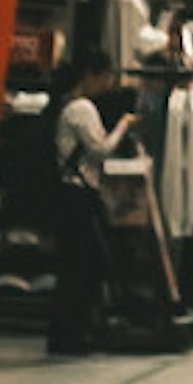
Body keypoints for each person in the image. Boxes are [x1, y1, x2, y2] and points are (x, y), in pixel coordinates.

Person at [49, 55, 116, 358]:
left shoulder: (65, 105)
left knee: (75, 265)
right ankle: (72, 333)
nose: (108, 85)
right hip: (79, 194)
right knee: (87, 264)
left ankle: (68, 332)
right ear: (90, 74)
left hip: (68, 194)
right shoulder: (82, 108)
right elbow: (101, 150)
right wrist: (125, 126)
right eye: (105, 77)